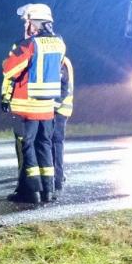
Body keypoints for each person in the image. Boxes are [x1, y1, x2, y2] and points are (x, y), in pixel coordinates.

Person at [0, 3, 69, 204]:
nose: (26, 26)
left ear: (34, 24)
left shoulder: (29, 44)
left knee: (26, 148)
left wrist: (11, 58)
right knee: (44, 146)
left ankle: (31, 192)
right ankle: (48, 191)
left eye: (27, 22)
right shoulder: (60, 44)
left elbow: (9, 70)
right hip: (47, 108)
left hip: (26, 106)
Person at [53, 54, 75, 193]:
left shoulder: (61, 61)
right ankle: (57, 175)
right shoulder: (63, 60)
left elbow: (64, 88)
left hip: (60, 110)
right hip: (60, 108)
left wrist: (53, 106)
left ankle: (58, 176)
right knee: (55, 143)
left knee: (56, 143)